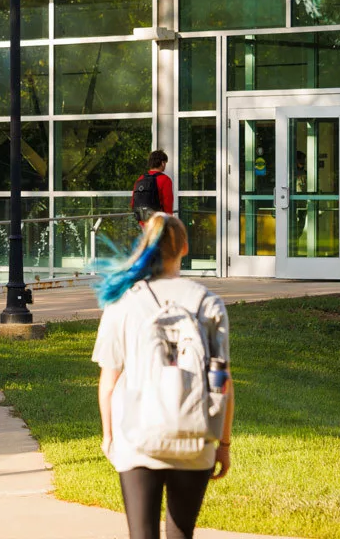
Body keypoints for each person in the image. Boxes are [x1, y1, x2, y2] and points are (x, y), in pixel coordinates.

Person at [91, 213, 235, 539]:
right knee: (181, 533)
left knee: (141, 534)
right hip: (194, 437)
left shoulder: (122, 303)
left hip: (136, 436)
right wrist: (222, 444)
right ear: (185, 247)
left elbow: (109, 381)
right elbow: (222, 381)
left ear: (147, 247)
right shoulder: (209, 303)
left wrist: (109, 435)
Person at [131, 150, 174, 223]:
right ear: (162, 163)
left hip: (143, 222)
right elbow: (167, 205)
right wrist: (169, 223)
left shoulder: (140, 179)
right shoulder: (165, 180)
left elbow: (133, 202)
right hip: (158, 223)